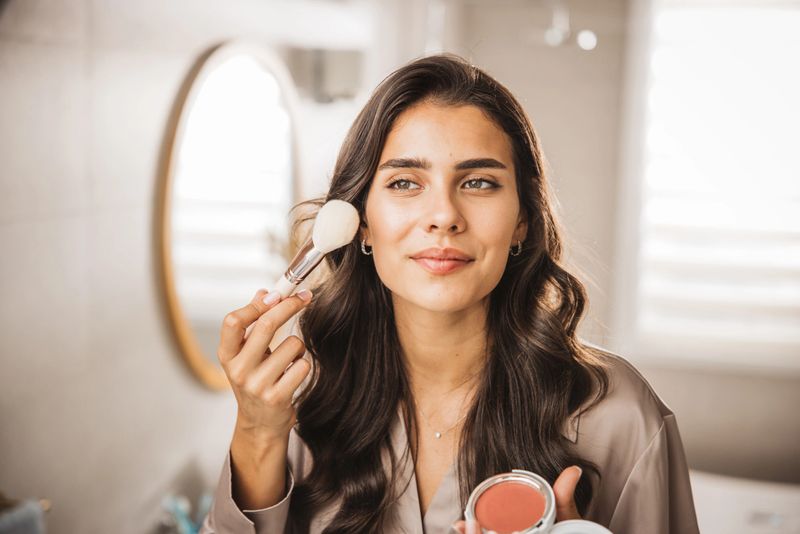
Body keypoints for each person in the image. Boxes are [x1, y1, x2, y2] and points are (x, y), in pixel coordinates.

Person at [199, 54, 700, 534]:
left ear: (523, 220)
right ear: (361, 223)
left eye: (479, 182)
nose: (443, 215)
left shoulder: (618, 415)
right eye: (404, 183)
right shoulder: (304, 395)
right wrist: (258, 433)